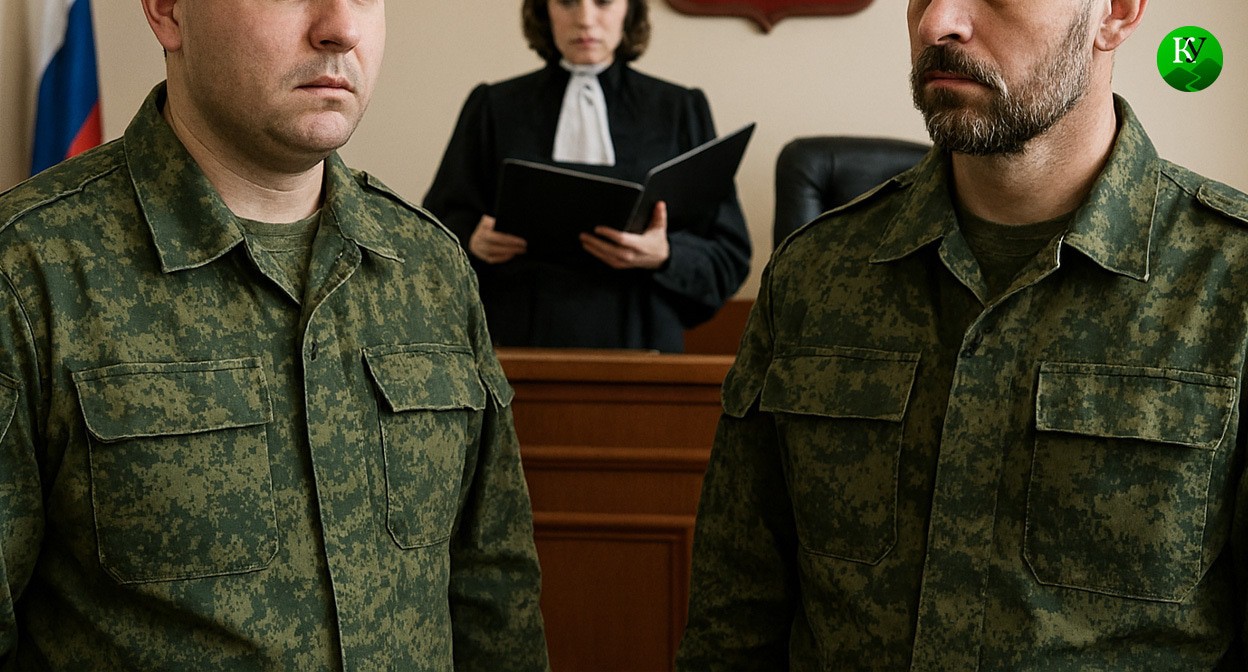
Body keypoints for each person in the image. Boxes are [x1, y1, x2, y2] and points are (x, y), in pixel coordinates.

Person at [679, 0, 1248, 668]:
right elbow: (731, 619)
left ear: (1115, 14)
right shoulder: (815, 274)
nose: (935, 23)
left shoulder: (1231, 282)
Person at [0, 1, 548, 669]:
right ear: (168, 11)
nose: (341, 28)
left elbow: (496, 603)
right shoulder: (28, 273)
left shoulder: (429, 268)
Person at [423, 0, 751, 353]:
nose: (585, 19)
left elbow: (728, 256)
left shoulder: (680, 109)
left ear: (630, 10)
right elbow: (433, 234)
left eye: (603, 2)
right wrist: (472, 241)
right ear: (543, 10)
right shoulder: (493, 106)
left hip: (644, 347)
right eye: (567, 2)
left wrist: (667, 255)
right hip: (517, 348)